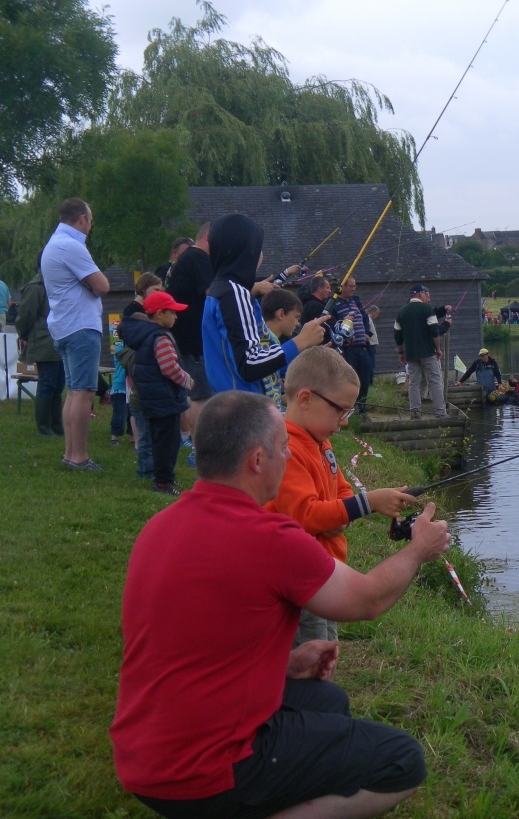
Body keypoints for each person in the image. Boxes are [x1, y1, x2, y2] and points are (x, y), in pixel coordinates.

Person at [110, 389, 451, 817]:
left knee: (328, 703)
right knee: (402, 761)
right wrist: (418, 549)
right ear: (257, 461)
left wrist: (282, 665)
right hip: (202, 771)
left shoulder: (159, 526)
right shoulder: (270, 538)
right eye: (284, 449)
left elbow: (188, 640)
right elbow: (368, 600)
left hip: (142, 753)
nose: (288, 458)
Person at [265, 346, 418, 648]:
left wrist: (342, 514)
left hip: (324, 572)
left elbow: (342, 490)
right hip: (300, 577)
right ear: (306, 399)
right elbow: (307, 515)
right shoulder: (288, 450)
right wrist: (369, 503)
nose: (345, 421)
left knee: (327, 646)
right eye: (340, 410)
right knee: (309, 654)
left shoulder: (321, 441)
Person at [202, 213, 328, 395]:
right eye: (258, 247)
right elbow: (250, 364)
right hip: (245, 408)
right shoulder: (234, 294)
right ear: (246, 250)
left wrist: (303, 359)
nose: (261, 254)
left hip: (231, 402)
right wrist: (301, 340)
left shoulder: (219, 290)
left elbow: (254, 361)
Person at [40, 197, 110, 471]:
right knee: (83, 392)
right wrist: (89, 282)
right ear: (81, 218)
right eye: (90, 221)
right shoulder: (71, 246)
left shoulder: (53, 245)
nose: (91, 226)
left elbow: (90, 284)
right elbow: (102, 286)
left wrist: (86, 282)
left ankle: (70, 454)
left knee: (73, 392)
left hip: (63, 325)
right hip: (80, 325)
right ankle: (79, 457)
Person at [119, 291, 192, 495]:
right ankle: (162, 483)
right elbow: (169, 367)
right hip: (165, 399)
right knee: (167, 443)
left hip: (154, 399)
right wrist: (186, 380)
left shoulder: (144, 336)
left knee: (161, 440)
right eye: (173, 312)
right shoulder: (159, 337)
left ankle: (166, 478)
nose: (176, 317)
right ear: (159, 314)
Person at [165, 223, 215, 454]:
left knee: (195, 392)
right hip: (193, 339)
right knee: (200, 394)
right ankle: (199, 450)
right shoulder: (198, 258)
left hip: (183, 336)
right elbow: (213, 292)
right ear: (208, 238)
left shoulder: (186, 260)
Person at [15, 267, 64, 436]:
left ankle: (56, 426)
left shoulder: (55, 282)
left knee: (58, 386)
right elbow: (25, 315)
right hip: (44, 340)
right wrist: (23, 334)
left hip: (59, 338)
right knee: (47, 385)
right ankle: (45, 429)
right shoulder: (36, 286)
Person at [394, 284, 446, 419]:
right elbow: (435, 331)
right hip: (428, 351)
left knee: (413, 383)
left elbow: (397, 335)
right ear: (420, 294)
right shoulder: (428, 310)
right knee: (435, 381)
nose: (428, 297)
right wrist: (438, 349)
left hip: (410, 353)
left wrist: (401, 352)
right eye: (427, 294)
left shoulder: (401, 311)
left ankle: (415, 412)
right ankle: (440, 412)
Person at [258, 287, 303, 410]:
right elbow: (275, 367)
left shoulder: (272, 340)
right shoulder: (264, 342)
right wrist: (304, 341)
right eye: (296, 317)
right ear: (281, 314)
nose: (297, 323)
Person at [332, 277, 373, 411]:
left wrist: (367, 333)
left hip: (362, 346)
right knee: (350, 379)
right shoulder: (334, 303)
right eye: (350, 286)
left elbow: (365, 317)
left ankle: (362, 409)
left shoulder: (356, 301)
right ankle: (348, 408)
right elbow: (332, 324)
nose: (353, 288)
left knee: (365, 379)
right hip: (347, 348)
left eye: (354, 286)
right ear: (342, 287)